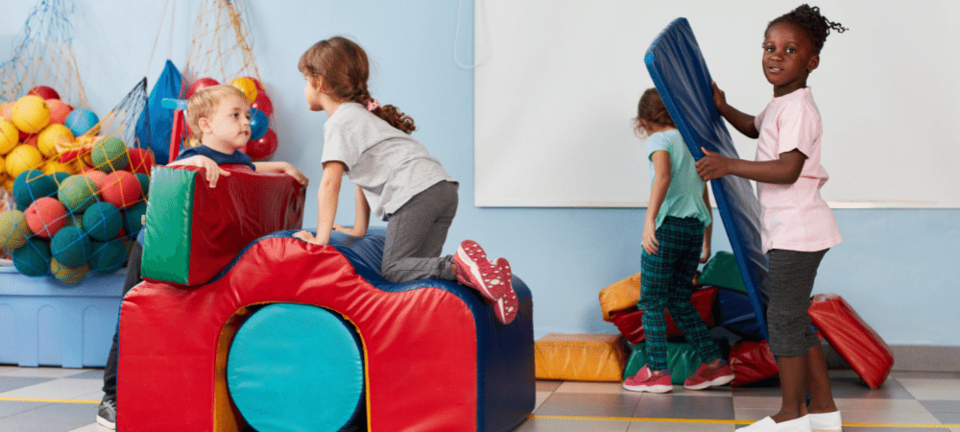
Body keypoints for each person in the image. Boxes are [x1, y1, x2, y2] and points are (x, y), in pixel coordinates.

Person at [96, 85, 307, 429]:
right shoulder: (194, 156)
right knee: (130, 322)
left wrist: (280, 166)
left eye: (247, 115)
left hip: (195, 257)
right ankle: (110, 398)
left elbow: (246, 169)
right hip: (151, 249)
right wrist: (193, 159)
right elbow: (175, 170)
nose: (246, 122)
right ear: (206, 125)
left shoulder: (238, 159)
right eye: (235, 115)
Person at [291, 36, 518, 325]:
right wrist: (359, 229)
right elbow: (362, 178)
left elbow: (330, 183)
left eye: (305, 79)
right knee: (419, 275)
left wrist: (321, 241)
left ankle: (461, 265)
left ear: (320, 82)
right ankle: (491, 282)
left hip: (414, 193)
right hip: (442, 190)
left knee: (396, 270)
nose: (303, 88)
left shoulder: (339, 122)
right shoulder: (363, 116)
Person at [696, 5, 846, 432]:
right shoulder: (782, 103)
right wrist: (723, 108)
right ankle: (823, 412)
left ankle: (791, 415)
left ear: (811, 62)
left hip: (797, 231)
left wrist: (729, 166)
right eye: (769, 47)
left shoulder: (799, 109)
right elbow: (754, 128)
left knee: (783, 321)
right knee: (794, 319)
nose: (775, 56)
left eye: (790, 49)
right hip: (791, 230)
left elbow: (787, 169)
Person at [621, 88, 734, 394]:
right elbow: (703, 193)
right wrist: (707, 241)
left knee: (652, 302)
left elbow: (663, 177)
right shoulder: (692, 141)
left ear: (645, 121)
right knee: (679, 301)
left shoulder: (660, 140)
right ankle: (714, 363)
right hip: (693, 230)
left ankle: (656, 371)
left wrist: (649, 221)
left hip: (667, 228)